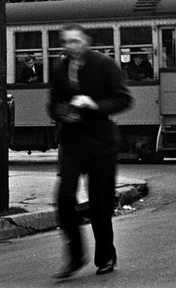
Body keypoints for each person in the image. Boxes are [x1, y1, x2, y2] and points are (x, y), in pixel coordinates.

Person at [49, 24, 133, 279]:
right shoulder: (60, 69)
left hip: (102, 145)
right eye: (66, 42)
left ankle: (105, 255)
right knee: (64, 196)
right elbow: (52, 104)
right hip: (72, 144)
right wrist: (61, 112)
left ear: (86, 40)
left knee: (100, 204)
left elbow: (123, 99)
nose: (70, 46)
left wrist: (93, 104)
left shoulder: (104, 65)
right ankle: (76, 254)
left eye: (75, 41)